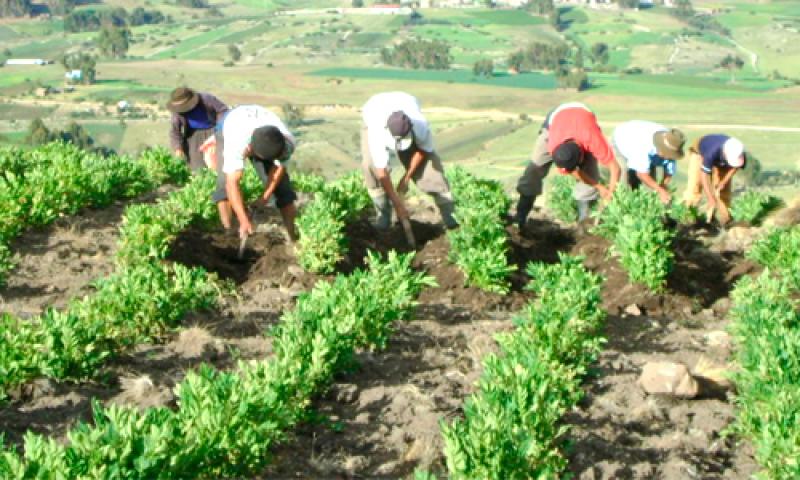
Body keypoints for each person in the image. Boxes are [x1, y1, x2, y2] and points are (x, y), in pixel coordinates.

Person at [361, 91, 457, 230]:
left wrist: (406, 178)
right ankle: (383, 217)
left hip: (405, 101)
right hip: (374, 107)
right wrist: (397, 204)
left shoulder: (420, 125)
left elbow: (424, 149)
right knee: (370, 166)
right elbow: (381, 171)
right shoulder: (377, 130)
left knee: (430, 168)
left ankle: (451, 218)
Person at [514, 102, 621, 228]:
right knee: (533, 171)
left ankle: (584, 224)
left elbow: (615, 167)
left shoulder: (592, 139)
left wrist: (610, 192)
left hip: (583, 118)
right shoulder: (554, 146)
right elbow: (574, 171)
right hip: (554, 121)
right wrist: (599, 187)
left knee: (590, 173)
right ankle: (520, 218)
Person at [213, 104, 298, 242]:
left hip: (263, 133)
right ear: (250, 150)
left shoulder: (286, 143)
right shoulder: (236, 142)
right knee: (223, 186)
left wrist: (264, 198)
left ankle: (292, 237)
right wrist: (243, 219)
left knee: (283, 190)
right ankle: (228, 234)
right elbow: (231, 184)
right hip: (231, 123)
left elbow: (278, 169)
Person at [612, 120, 686, 204]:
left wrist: (663, 186)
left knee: (651, 187)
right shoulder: (644, 146)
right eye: (666, 153)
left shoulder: (673, 143)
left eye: (669, 154)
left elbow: (669, 172)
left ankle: (647, 205)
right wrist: (659, 190)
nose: (667, 157)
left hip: (644, 149)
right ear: (661, 147)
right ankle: (618, 205)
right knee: (624, 179)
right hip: (622, 139)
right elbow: (641, 174)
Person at [682, 134, 746, 225]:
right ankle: (688, 217)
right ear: (725, 154)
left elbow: (736, 167)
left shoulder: (738, 152)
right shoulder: (711, 152)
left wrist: (723, 182)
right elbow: (704, 176)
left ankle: (726, 220)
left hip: (721, 160)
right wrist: (711, 198)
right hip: (699, 154)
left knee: (723, 192)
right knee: (695, 187)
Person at [167, 87, 229, 172]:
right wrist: (178, 149)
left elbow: (223, 111)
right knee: (197, 168)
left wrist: (219, 132)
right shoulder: (177, 111)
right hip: (193, 137)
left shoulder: (206, 99)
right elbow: (175, 131)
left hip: (214, 131)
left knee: (218, 163)